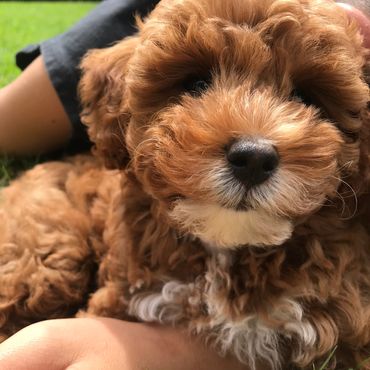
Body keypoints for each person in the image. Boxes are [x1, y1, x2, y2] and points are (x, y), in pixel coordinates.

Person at [0, 1, 369, 369]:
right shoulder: (137, 230)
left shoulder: (337, 265)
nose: (253, 143)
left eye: (305, 96)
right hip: (71, 201)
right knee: (36, 287)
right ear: (122, 105)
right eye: (197, 83)